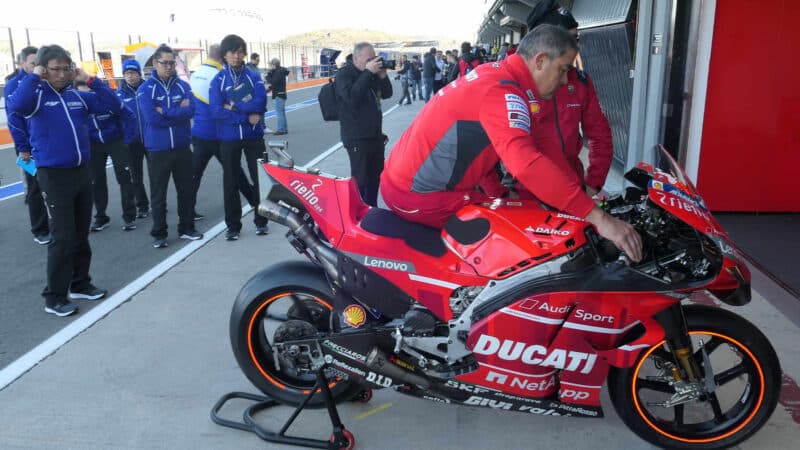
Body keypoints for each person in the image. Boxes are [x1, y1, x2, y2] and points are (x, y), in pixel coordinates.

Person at [379, 25, 642, 262]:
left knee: (520, 219)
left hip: (411, 186)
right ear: (540, 61)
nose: (565, 80)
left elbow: (479, 151)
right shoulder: (504, 92)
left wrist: (503, 194)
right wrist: (600, 218)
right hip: (419, 196)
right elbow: (526, 165)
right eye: (563, 69)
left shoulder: (495, 74)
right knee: (514, 252)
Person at [7, 44, 111, 316]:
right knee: (62, 237)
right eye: (56, 69)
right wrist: (35, 76)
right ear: (44, 70)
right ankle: (53, 297)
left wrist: (89, 79)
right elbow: (15, 106)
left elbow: (110, 104)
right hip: (53, 176)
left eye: (66, 68)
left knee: (80, 233)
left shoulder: (76, 96)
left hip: (80, 171)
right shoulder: (37, 96)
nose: (62, 74)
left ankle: (80, 283)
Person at [527, 0, 613, 195]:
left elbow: (600, 135)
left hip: (570, 189)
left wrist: (593, 184)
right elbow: (480, 147)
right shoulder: (513, 81)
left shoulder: (581, 81)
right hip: (525, 195)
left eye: (576, 38)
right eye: (567, 38)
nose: (574, 46)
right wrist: (500, 193)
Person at [138, 44, 203, 249]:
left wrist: (165, 111)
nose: (168, 67)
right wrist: (176, 112)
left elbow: (190, 111)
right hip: (158, 150)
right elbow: (152, 119)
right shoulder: (145, 89)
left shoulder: (183, 86)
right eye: (164, 63)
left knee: (186, 190)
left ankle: (187, 227)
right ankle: (159, 233)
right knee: (159, 194)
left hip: (182, 147)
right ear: (155, 63)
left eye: (171, 63)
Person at [210, 34, 269, 241]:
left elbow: (260, 104)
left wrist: (234, 106)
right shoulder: (218, 80)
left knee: (260, 179)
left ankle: (261, 220)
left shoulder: (253, 76)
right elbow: (216, 111)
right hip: (229, 137)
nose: (237, 56)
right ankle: (233, 226)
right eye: (232, 52)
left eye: (240, 52)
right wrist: (244, 116)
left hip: (254, 137)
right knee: (231, 181)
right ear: (224, 55)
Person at [189, 44, 254, 221]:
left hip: (199, 133)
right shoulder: (221, 76)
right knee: (235, 173)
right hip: (219, 134)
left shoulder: (195, 74)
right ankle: (257, 204)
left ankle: (188, 211)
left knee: (194, 175)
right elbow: (238, 104)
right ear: (224, 56)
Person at [334, 42, 393, 207]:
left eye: (373, 58)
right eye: (368, 59)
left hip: (375, 135)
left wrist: (382, 75)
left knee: (375, 176)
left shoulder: (372, 73)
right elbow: (352, 98)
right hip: (356, 137)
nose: (372, 62)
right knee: (360, 180)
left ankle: (371, 209)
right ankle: (358, 213)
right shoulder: (344, 74)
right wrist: (368, 72)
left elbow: (387, 93)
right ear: (355, 58)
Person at [4, 46, 50, 245]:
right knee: (34, 188)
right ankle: (40, 229)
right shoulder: (14, 85)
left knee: (52, 183)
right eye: (33, 63)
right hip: (27, 147)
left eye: (38, 63)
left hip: (46, 142)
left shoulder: (44, 81)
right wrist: (23, 148)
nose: (37, 66)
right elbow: (14, 120)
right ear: (21, 63)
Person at [81, 77, 137, 232]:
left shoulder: (107, 100)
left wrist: (128, 139)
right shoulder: (77, 105)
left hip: (116, 140)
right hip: (94, 145)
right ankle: (101, 217)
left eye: (88, 90)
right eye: (81, 92)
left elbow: (129, 115)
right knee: (96, 181)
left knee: (124, 177)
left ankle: (129, 216)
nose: (85, 95)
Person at [117, 59, 150, 219]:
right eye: (127, 74)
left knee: (157, 176)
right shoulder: (119, 94)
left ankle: (159, 204)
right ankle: (142, 205)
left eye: (133, 73)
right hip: (131, 142)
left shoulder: (148, 89)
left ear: (139, 74)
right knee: (135, 177)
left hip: (151, 139)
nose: (130, 76)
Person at [265, 58, 290, 135]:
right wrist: (270, 88)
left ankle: (281, 129)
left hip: (278, 94)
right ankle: (284, 129)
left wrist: (267, 76)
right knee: (282, 112)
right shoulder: (281, 71)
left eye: (270, 65)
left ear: (274, 65)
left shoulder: (278, 72)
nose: (269, 67)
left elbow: (274, 82)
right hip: (281, 93)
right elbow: (277, 83)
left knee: (279, 113)